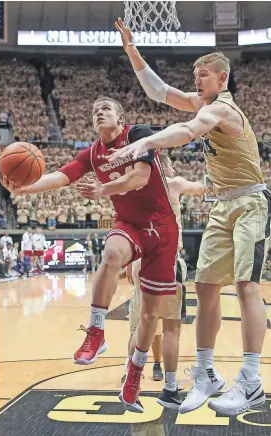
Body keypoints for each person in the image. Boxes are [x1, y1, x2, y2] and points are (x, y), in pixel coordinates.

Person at [112, 19, 271, 416]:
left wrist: (145, 142)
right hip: (221, 202)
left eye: (202, 76)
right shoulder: (202, 101)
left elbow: (188, 130)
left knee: (248, 286)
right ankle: (206, 373)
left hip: (250, 202)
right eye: (194, 76)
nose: (196, 82)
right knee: (204, 287)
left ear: (222, 78)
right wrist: (132, 51)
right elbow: (159, 92)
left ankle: (251, 380)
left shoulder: (222, 109)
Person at [0, 96, 178, 413]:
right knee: (110, 255)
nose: (98, 113)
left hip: (163, 229)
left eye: (105, 109)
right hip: (131, 225)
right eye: (94, 110)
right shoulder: (93, 153)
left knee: (150, 316)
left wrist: (102, 190)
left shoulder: (138, 134)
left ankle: (134, 374)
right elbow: (60, 176)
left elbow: (140, 177)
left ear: (121, 118)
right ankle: (96, 331)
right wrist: (25, 188)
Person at [125, 153, 205, 409]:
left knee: (140, 324)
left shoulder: (132, 188)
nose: (173, 169)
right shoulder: (174, 184)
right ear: (163, 166)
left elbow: (125, 225)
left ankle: (131, 382)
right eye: (170, 164)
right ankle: (170, 388)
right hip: (167, 261)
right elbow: (206, 186)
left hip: (140, 259)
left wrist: (129, 262)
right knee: (171, 328)